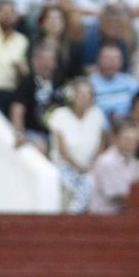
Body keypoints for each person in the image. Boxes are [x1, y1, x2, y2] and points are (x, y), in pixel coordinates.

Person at [50, 77, 105, 213]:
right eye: (81, 94)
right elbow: (61, 149)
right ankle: (73, 218)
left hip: (89, 167)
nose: (85, 98)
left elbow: (102, 143)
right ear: (72, 96)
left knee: (90, 181)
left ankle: (73, 216)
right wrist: (79, 167)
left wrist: (93, 164)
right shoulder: (60, 114)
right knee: (75, 185)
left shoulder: (97, 114)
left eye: (88, 95)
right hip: (65, 166)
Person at [87, 122, 139, 214]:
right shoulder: (107, 162)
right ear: (115, 138)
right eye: (127, 139)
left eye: (134, 140)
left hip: (124, 214)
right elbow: (121, 197)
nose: (131, 143)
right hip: (106, 217)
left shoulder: (132, 159)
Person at [88, 43, 139, 124]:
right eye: (107, 58)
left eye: (115, 58)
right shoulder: (89, 83)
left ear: (121, 61)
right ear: (98, 60)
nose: (111, 62)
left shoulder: (130, 82)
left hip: (126, 128)